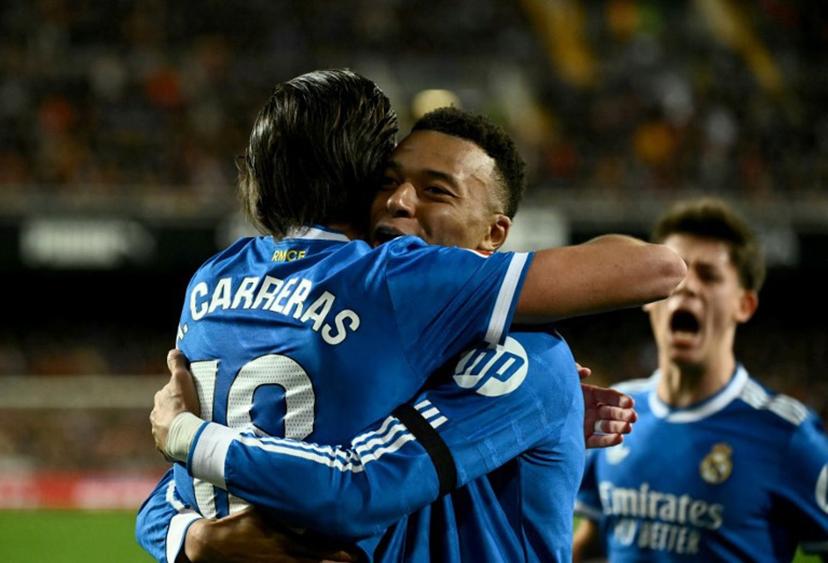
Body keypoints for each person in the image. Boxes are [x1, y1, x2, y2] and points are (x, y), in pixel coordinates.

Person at [136, 69, 684, 561]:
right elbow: (171, 493)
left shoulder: (520, 351)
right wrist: (195, 536)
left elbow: (356, 488)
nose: (399, 200)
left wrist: (187, 440)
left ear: (494, 236)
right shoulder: (385, 326)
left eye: (435, 192)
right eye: (387, 181)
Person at [573, 198, 828, 561]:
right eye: (675, 272)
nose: (687, 287)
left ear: (745, 305)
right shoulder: (614, 412)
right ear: (647, 293)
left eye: (709, 275)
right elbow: (596, 541)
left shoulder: (787, 435)